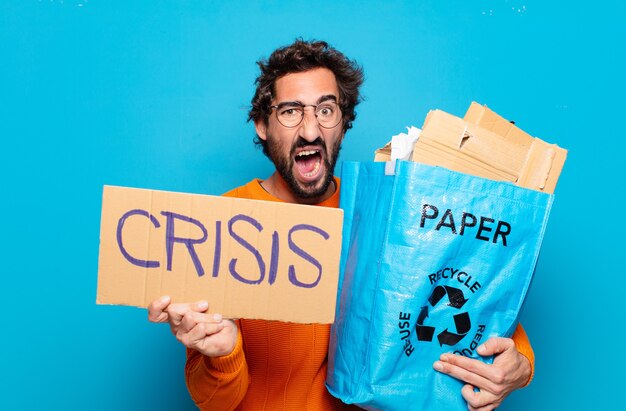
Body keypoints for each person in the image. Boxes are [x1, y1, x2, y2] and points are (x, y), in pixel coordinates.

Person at [148, 39, 534, 411]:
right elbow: (215, 402)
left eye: (326, 110)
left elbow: (457, 287)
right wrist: (223, 355)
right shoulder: (223, 223)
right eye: (290, 111)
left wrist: (520, 364)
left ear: (344, 123)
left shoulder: (385, 209)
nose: (311, 130)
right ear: (262, 125)